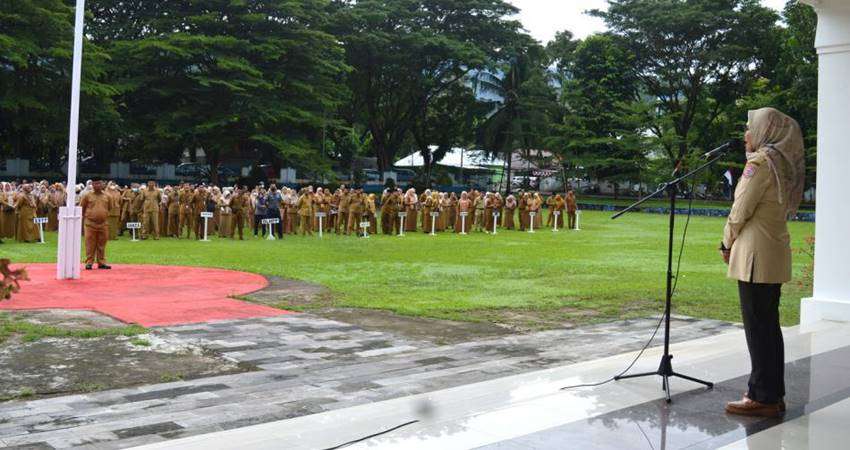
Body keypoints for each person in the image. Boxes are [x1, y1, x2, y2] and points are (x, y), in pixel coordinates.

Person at [722, 107, 805, 418]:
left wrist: (726, 241)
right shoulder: (781, 163)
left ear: (765, 130)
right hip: (772, 255)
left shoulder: (759, 163)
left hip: (755, 257)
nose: (747, 134)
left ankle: (763, 396)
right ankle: (771, 392)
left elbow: (740, 208)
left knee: (758, 328)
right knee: (769, 327)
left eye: (750, 127)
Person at [79, 178, 114, 270]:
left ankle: (101, 262)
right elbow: (82, 208)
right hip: (90, 223)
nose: (97, 185)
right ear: (92, 185)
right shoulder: (87, 195)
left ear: (102, 184)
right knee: (90, 243)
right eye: (95, 184)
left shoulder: (107, 196)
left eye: (99, 183)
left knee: (102, 243)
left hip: (103, 223)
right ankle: (89, 262)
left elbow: (110, 207)